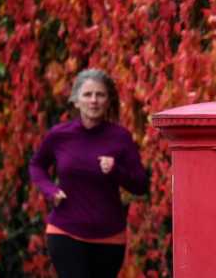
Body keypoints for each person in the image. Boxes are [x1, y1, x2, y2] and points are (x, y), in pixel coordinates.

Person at [29, 68, 149, 278]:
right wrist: (50, 190)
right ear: (76, 101)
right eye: (87, 95)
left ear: (108, 100)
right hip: (65, 231)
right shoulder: (59, 135)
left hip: (109, 236)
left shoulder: (120, 138)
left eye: (100, 95)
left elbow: (140, 185)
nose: (94, 100)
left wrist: (116, 171)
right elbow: (36, 165)